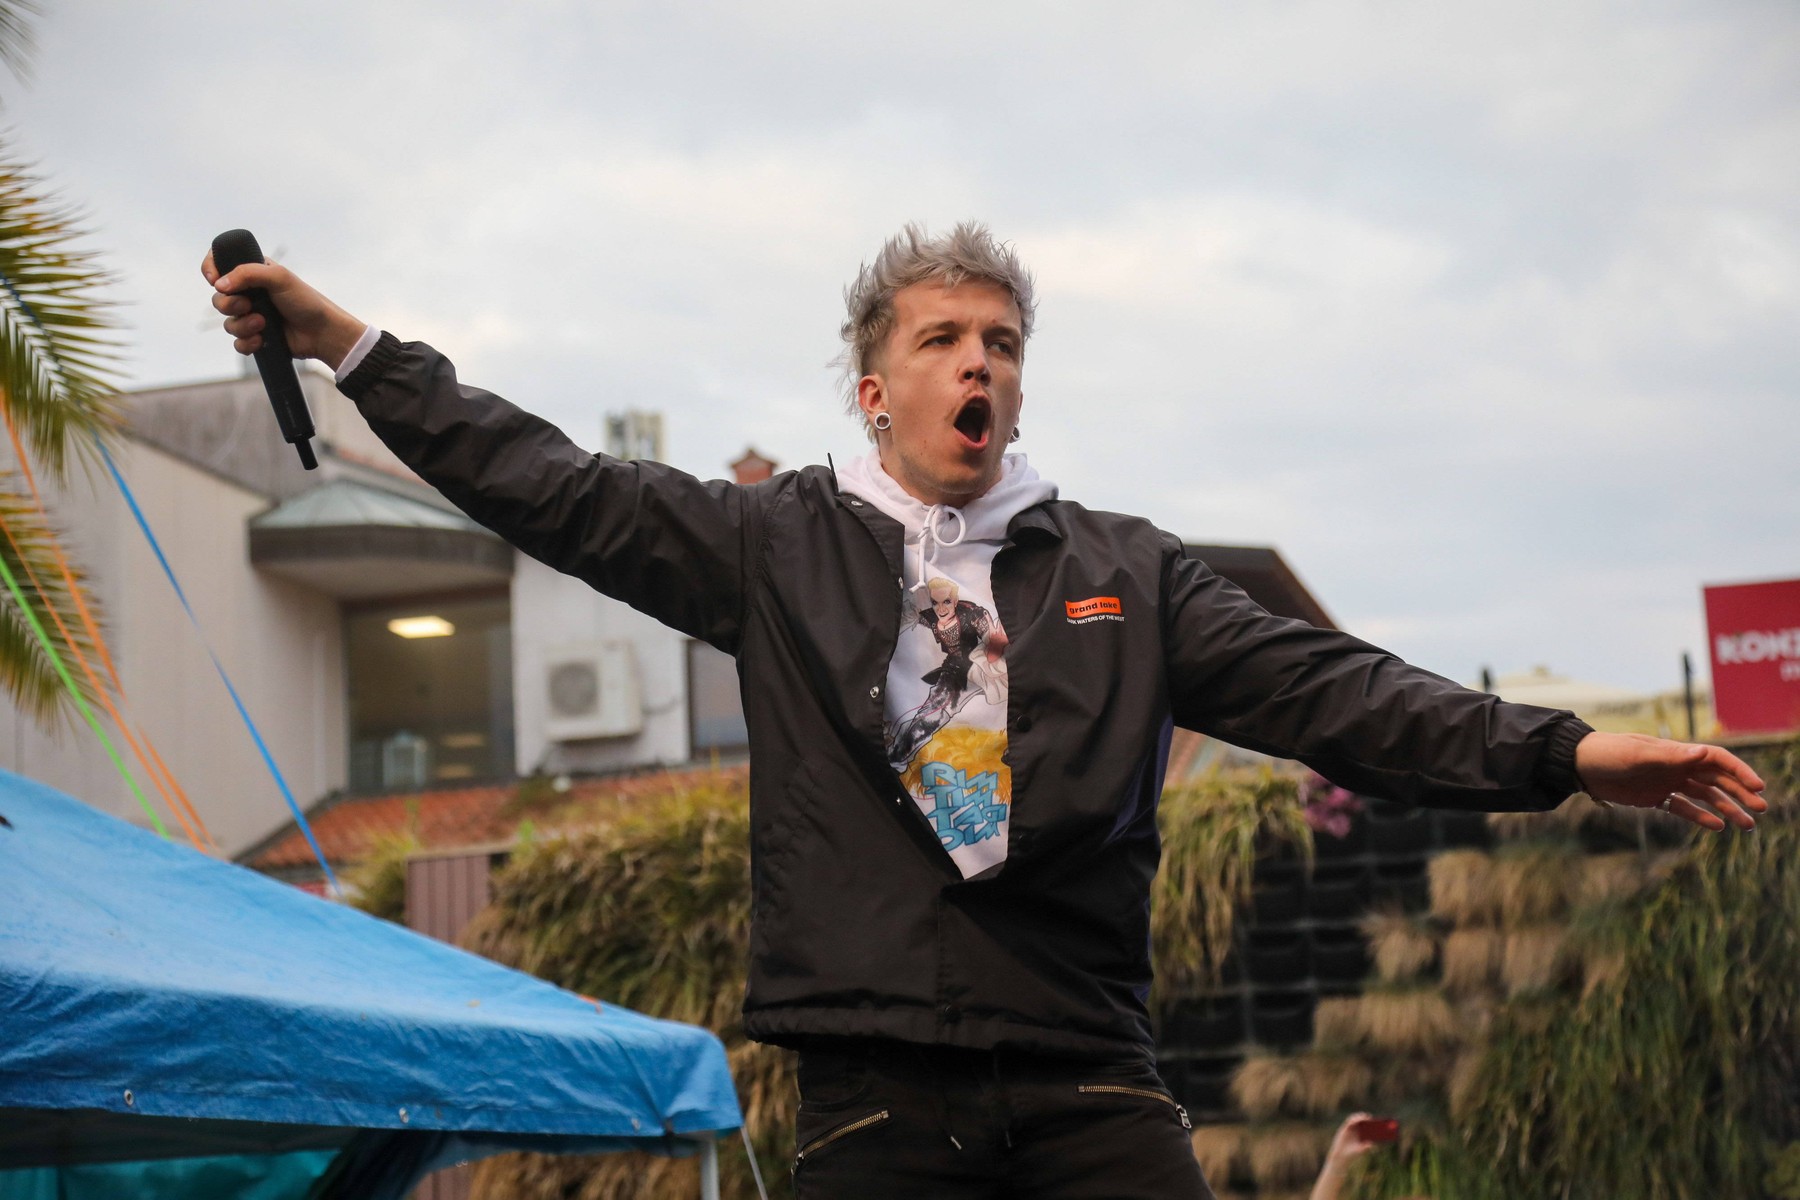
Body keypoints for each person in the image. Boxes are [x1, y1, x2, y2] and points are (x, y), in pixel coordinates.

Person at [205, 223, 1766, 1199]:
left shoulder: (1125, 574)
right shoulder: (774, 546)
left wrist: (1566, 750)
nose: (981, 366)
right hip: (872, 1098)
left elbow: (1330, 692)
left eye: (1003, 345)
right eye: (943, 341)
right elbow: (553, 485)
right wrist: (354, 350)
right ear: (874, 391)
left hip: (1091, 1078)